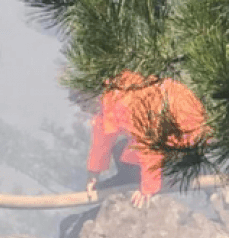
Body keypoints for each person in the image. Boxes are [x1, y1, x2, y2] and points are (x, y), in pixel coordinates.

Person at [85, 70, 207, 208]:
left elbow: (150, 142)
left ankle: (137, 181)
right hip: (166, 139)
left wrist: (148, 188)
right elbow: (103, 134)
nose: (86, 113)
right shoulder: (112, 97)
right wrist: (93, 174)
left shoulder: (127, 99)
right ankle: (131, 179)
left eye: (85, 106)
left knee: (127, 150)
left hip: (185, 141)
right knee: (120, 149)